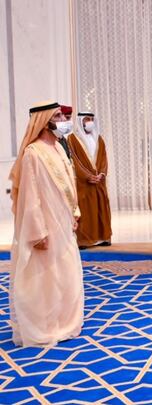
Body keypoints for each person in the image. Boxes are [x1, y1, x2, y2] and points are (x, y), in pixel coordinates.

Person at [8, 101, 83, 347]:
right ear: (44, 121)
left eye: (62, 115)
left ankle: (66, 322)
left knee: (66, 273)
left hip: (64, 223)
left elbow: (69, 185)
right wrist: (37, 232)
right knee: (47, 277)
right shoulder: (33, 153)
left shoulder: (60, 149)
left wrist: (75, 211)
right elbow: (30, 197)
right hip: (45, 228)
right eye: (58, 115)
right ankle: (46, 325)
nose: (63, 119)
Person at [67, 112, 112, 248]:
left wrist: (102, 174)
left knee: (101, 209)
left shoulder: (99, 139)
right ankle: (85, 240)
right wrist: (87, 176)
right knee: (86, 210)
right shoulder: (72, 139)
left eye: (92, 119)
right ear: (81, 121)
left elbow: (104, 159)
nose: (90, 122)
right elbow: (74, 160)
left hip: (99, 182)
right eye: (87, 119)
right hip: (84, 183)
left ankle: (103, 237)